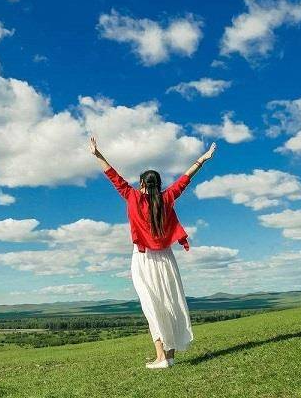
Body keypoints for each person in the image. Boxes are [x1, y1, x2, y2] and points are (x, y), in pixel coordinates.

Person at [89, 136, 217, 369]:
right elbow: (185, 179)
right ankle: (169, 356)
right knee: (169, 304)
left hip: (144, 258)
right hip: (167, 259)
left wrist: (98, 154)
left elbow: (113, 177)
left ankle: (161, 358)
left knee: (152, 307)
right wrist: (203, 159)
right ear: (158, 185)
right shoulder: (167, 198)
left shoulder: (132, 197)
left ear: (141, 185)